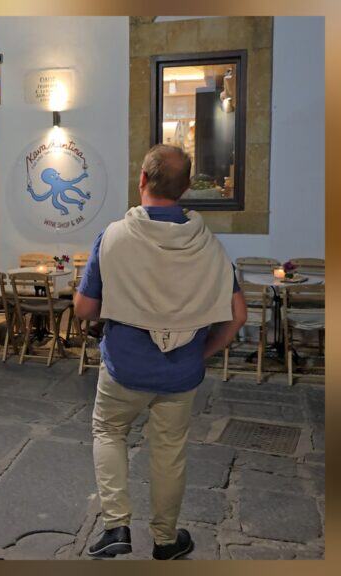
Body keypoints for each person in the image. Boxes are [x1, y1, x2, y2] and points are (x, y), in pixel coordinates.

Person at [74, 144, 245, 560]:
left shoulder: (113, 237)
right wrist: (202, 351)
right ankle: (166, 540)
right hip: (180, 372)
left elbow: (84, 308)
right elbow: (238, 315)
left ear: (142, 180)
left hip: (124, 367)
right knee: (169, 452)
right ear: (186, 188)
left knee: (109, 432)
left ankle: (116, 526)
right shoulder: (210, 246)